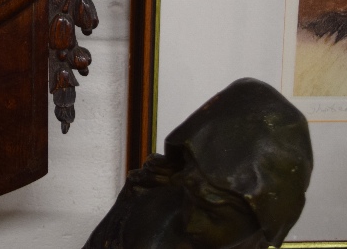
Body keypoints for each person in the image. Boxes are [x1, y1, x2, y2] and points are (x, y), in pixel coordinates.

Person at [83, 78, 313, 249]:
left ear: (269, 218)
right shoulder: (155, 235)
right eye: (189, 201)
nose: (191, 224)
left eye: (213, 215)